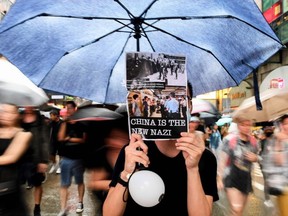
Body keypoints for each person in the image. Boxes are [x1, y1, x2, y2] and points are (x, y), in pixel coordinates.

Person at [103, 88, 219, 215]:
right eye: (161, 99)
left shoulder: (205, 157)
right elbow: (109, 213)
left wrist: (192, 169)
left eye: (181, 99)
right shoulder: (134, 151)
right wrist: (126, 173)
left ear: (189, 107)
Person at [217, 115, 259, 216]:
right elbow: (222, 159)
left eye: (248, 125)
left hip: (246, 178)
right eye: (243, 125)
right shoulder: (230, 140)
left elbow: (258, 157)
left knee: (238, 212)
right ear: (238, 125)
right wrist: (219, 178)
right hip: (231, 177)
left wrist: (256, 158)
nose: (246, 127)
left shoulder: (254, 142)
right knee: (237, 209)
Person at [0, 103, 32, 216]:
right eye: (3, 111)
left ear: (17, 115)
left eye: (9, 112)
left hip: (8, 188)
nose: (4, 115)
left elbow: (11, 157)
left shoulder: (23, 134)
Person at [57, 101, 87, 216]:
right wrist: (65, 123)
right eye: (67, 108)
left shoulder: (82, 123)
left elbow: (83, 140)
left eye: (70, 108)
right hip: (66, 158)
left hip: (79, 158)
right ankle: (63, 208)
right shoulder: (65, 123)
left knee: (79, 182)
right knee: (64, 184)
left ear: (75, 109)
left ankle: (80, 202)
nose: (68, 110)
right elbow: (60, 138)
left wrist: (69, 138)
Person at [20, 106, 50, 216]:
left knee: (37, 183)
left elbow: (45, 141)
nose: (28, 106)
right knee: (17, 183)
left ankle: (37, 207)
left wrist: (44, 160)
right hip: (20, 157)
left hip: (35, 158)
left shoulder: (40, 119)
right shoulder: (19, 117)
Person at [272, 114, 288, 216]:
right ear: (281, 125)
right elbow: (278, 161)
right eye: (286, 123)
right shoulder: (278, 139)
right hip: (284, 185)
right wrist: (278, 142)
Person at [258, 126, 274, 208]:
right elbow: (260, 153)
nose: (269, 131)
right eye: (267, 130)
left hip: (272, 165)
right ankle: (267, 199)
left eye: (270, 130)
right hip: (264, 164)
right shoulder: (262, 142)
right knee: (267, 181)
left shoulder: (274, 141)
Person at [48, 109, 62, 174]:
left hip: (60, 141)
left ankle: (59, 167)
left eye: (51, 115)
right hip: (53, 141)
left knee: (61, 155)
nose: (50, 117)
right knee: (51, 154)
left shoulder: (62, 123)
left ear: (56, 116)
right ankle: (54, 164)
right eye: (50, 115)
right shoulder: (51, 123)